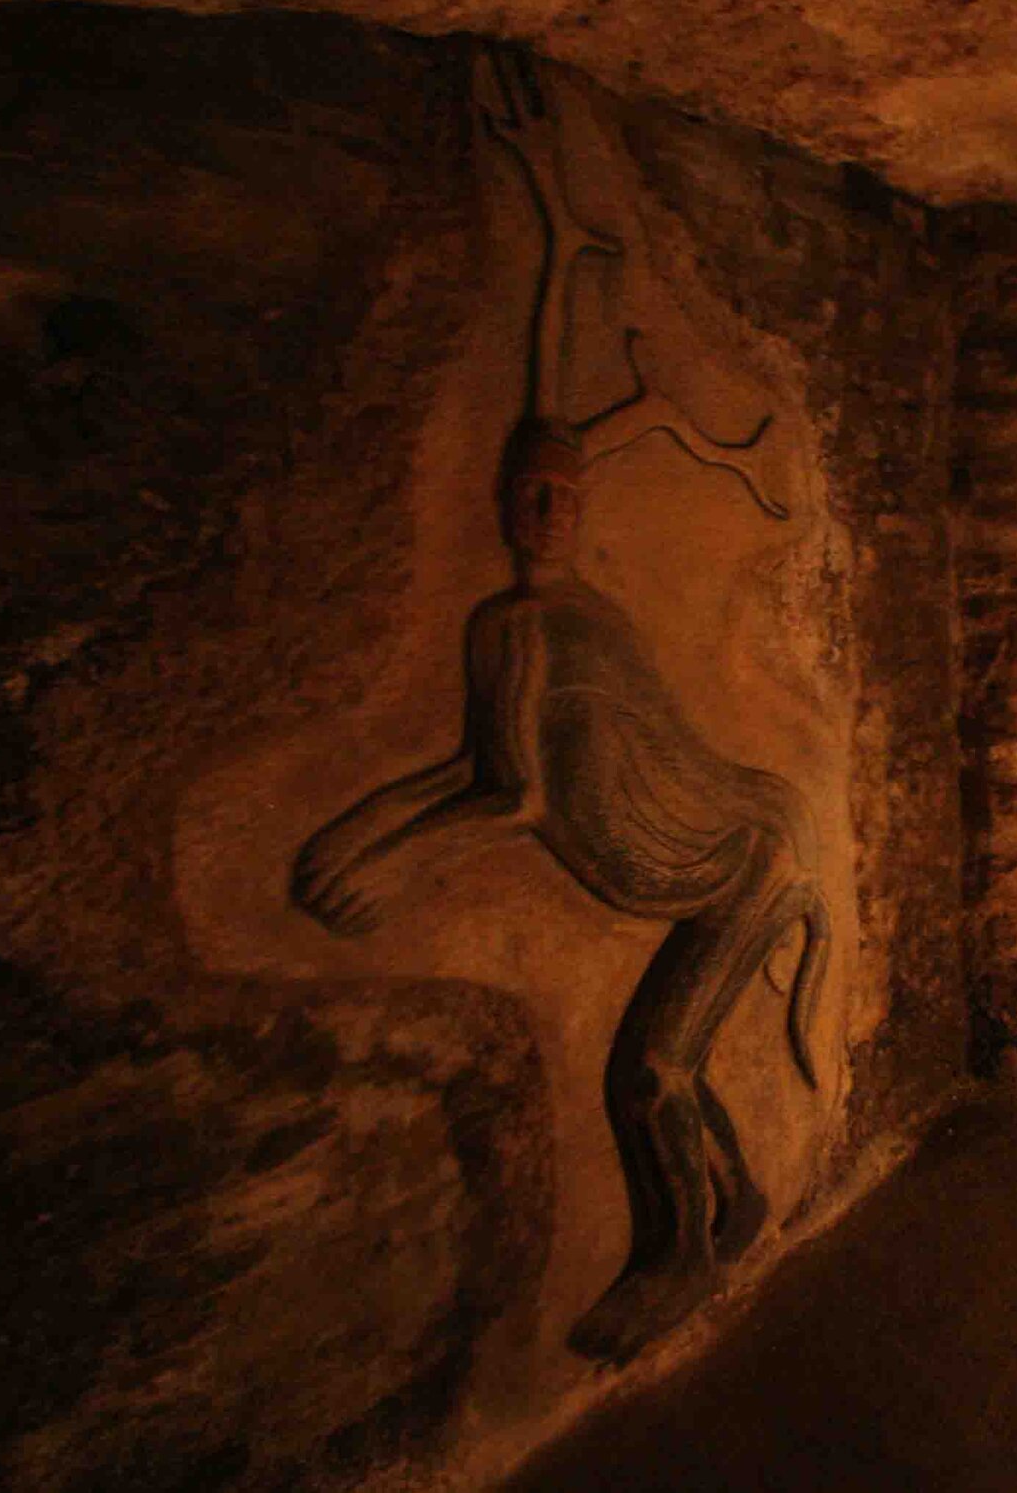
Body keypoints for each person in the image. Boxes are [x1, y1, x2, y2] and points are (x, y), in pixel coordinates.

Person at [292, 414, 829, 1358]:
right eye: (531, 493)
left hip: (738, 857)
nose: (545, 512)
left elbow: (521, 796)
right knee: (666, 1062)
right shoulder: (504, 627)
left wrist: (402, 858)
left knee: (653, 1070)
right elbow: (479, 763)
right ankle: (735, 1202)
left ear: (578, 513)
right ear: (503, 502)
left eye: (563, 497)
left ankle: (685, 1259)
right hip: (711, 857)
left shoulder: (577, 622)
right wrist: (364, 833)